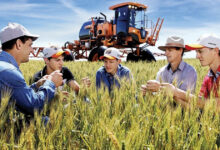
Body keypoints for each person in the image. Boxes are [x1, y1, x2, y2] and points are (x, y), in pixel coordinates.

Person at [0, 23, 63, 116]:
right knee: (45, 121)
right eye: (30, 45)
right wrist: (51, 83)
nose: (32, 50)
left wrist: (37, 85)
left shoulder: (4, 66)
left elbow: (18, 95)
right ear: (18, 44)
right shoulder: (10, 71)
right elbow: (34, 107)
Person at [159, 34, 220, 110]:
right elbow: (199, 104)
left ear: (216, 50)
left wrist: (175, 92)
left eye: (200, 51)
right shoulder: (209, 76)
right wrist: (173, 95)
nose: (196, 56)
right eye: (196, 52)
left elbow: (217, 106)